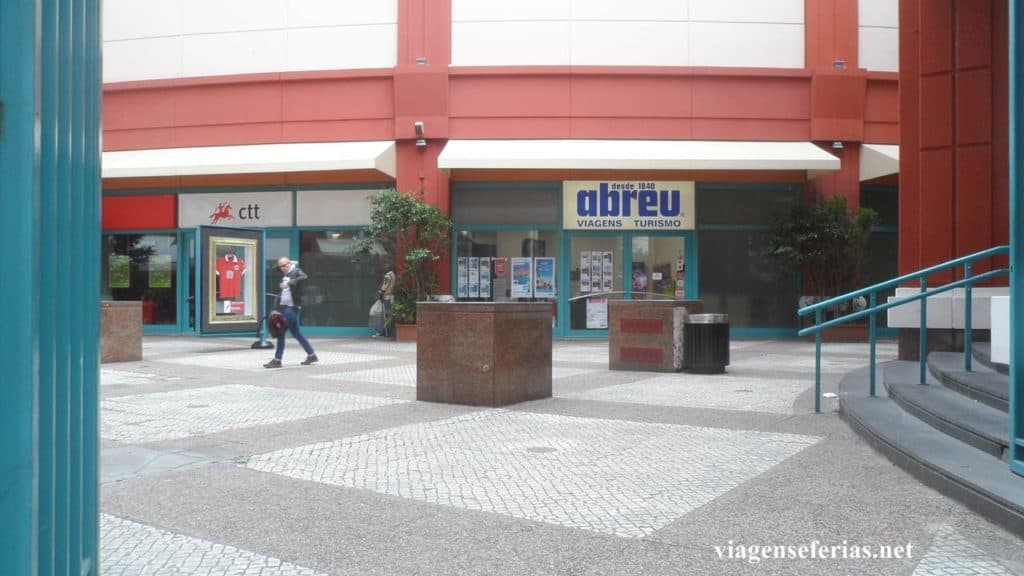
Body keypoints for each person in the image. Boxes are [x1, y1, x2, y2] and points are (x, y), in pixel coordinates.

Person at [263, 257, 318, 368]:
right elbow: (278, 268)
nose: (282, 268)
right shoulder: (286, 273)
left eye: (284, 265)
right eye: (280, 266)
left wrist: (290, 283)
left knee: (280, 332)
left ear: (289, 263)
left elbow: (304, 277)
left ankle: (277, 360)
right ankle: (311, 355)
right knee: (296, 333)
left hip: (292, 308)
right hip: (286, 307)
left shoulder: (296, 271)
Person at [372, 263, 396, 338]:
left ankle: (382, 332)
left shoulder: (388, 275)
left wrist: (380, 294)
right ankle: (387, 332)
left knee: (384, 316)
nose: (383, 269)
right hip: (390, 297)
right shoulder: (393, 274)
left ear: (388, 268)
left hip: (387, 297)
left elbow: (384, 287)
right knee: (388, 315)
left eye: (385, 267)